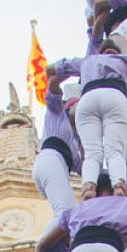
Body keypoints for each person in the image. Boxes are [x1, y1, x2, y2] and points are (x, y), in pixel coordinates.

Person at [48, 42, 127, 199]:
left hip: (87, 99)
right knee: (115, 150)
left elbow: (51, 69)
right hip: (115, 96)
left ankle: (88, 186)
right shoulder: (125, 61)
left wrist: (64, 74)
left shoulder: (88, 61)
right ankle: (119, 185)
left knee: (92, 152)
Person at [32, 80, 82, 217]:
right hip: (50, 160)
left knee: (71, 214)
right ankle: (45, 240)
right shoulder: (57, 112)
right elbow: (53, 86)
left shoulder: (76, 140)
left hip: (58, 169)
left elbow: (84, 168)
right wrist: (61, 71)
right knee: (65, 213)